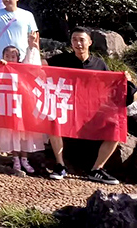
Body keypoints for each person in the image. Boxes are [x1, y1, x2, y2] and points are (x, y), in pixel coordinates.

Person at [46, 27, 124, 185]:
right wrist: (31, 50)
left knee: (117, 127)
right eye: (74, 40)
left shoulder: (99, 64)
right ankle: (60, 165)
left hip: (91, 111)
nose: (78, 43)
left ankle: (97, 169)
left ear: (90, 42)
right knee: (53, 120)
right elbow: (37, 66)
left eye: (82, 40)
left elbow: (111, 85)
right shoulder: (62, 59)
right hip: (68, 109)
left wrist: (125, 78)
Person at [0, 45, 42, 175]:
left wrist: (32, 46)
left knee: (24, 133)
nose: (10, 59)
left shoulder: (22, 68)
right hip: (8, 105)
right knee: (12, 132)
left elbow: (32, 64)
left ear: (18, 58)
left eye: (13, 56)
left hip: (22, 106)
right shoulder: (1, 68)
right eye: (7, 56)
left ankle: (24, 159)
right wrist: (0, 65)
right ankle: (15, 157)